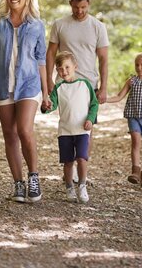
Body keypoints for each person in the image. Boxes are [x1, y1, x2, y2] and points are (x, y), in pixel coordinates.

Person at [0, 0, 49, 203]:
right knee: (9, 134)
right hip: (2, 84)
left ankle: (33, 176)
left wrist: (46, 91)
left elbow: (41, 60)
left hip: (29, 85)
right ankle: (18, 184)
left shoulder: (37, 25)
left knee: (24, 130)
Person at [46, 0, 109, 182]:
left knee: (87, 128)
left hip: (89, 85)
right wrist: (48, 80)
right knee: (68, 124)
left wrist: (104, 87)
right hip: (65, 86)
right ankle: (70, 168)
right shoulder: (60, 25)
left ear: (89, 4)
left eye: (83, 7)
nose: (79, 11)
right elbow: (50, 54)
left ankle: (82, 170)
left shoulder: (98, 27)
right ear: (70, 4)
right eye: (75, 7)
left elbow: (104, 59)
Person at [42, 52, 98, 203]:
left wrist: (90, 120)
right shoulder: (59, 88)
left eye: (67, 67)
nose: (64, 71)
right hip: (65, 131)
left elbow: (94, 104)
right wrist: (46, 106)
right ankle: (69, 187)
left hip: (82, 130)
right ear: (57, 71)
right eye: (60, 69)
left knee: (82, 158)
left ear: (75, 67)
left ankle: (82, 185)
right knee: (68, 161)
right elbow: (52, 105)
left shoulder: (85, 85)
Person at [107, 52, 142, 188]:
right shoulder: (132, 81)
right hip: (134, 117)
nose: (139, 68)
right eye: (137, 65)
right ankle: (135, 171)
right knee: (136, 142)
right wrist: (105, 99)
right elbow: (119, 96)